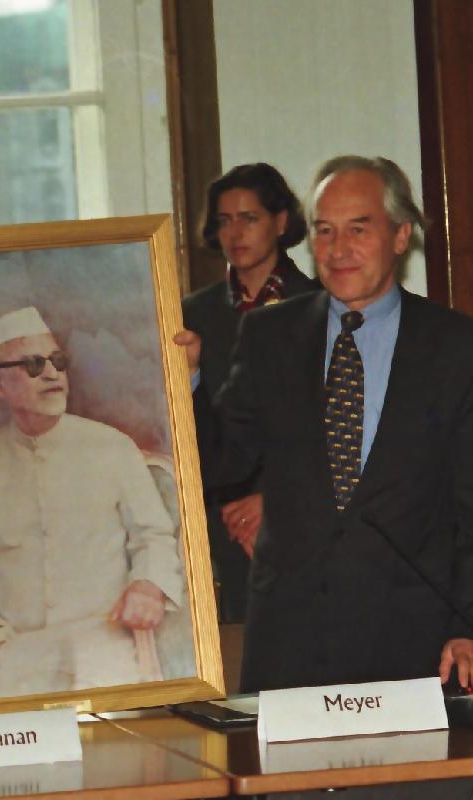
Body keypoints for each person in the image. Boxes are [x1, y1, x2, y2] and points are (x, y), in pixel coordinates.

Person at [195, 155, 473, 693]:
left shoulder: (460, 350)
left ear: (400, 235)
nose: (337, 249)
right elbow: (221, 462)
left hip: (415, 649)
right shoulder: (269, 338)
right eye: (324, 231)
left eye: (358, 229)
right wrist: (188, 382)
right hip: (288, 649)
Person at [0, 306, 186, 703]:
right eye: (33, 364)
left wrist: (147, 586)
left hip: (100, 641)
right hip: (15, 646)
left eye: (57, 361)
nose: (51, 374)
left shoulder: (111, 447)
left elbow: (153, 537)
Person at [182, 163, 318, 622]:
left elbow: (329, 429)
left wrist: (273, 501)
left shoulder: (321, 306)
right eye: (224, 221)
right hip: (215, 519)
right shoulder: (191, 314)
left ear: (280, 222)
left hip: (301, 515)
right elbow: (187, 430)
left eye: (249, 218)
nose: (235, 233)